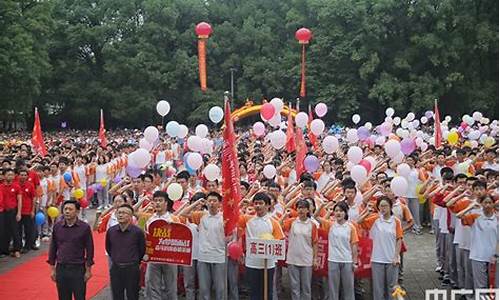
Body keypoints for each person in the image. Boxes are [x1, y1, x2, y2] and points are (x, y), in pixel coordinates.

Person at [180, 191, 226, 300]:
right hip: (203, 257)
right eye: (209, 201)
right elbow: (183, 213)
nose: (212, 203)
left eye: (215, 201)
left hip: (219, 257)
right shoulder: (201, 215)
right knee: (204, 289)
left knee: (220, 289)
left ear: (220, 203)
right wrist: (196, 203)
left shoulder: (224, 218)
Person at [238, 192, 285, 300]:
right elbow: (233, 216)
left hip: (268, 264)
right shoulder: (247, 219)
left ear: (268, 205)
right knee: (254, 292)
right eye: (255, 203)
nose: (258, 206)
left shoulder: (273, 222)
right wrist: (243, 203)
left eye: (261, 203)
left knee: (267, 293)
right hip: (252, 262)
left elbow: (280, 241)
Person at [47, 200, 94, 300]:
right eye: (65, 209)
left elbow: (90, 249)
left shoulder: (84, 227)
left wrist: (88, 270)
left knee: (80, 296)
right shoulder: (57, 227)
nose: (67, 211)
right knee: (63, 297)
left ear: (77, 211)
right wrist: (52, 269)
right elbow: (53, 248)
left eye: (70, 209)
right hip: (61, 268)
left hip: (78, 268)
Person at [358, 197, 403, 300]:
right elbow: (358, 221)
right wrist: (367, 212)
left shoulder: (395, 221)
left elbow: (399, 239)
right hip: (377, 259)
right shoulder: (374, 219)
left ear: (390, 207)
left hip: (392, 259)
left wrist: (396, 256)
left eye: (385, 206)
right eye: (380, 206)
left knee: (392, 288)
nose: (383, 208)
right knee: (378, 289)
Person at [145, 190, 180, 300]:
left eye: (160, 200)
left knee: (171, 287)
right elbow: (143, 235)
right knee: (153, 287)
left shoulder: (174, 219)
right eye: (155, 201)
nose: (157, 203)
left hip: (170, 259)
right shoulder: (148, 219)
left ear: (166, 203)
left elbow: (179, 238)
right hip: (153, 258)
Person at [319, 201, 358, 300]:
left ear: (345, 212)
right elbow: (315, 217)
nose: (338, 213)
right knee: (333, 289)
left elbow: (354, 245)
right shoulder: (330, 225)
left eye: (341, 211)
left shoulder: (351, 227)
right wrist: (323, 206)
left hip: (347, 261)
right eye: (336, 211)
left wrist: (355, 262)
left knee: (348, 289)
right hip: (333, 260)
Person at [106, 204, 146, 300]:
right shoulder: (111, 231)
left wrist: (135, 261)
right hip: (116, 268)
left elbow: (142, 250)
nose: (121, 215)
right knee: (117, 295)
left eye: (124, 213)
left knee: (132, 295)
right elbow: (108, 248)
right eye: (119, 213)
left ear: (131, 216)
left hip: (132, 268)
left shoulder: (137, 232)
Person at [282, 199, 318, 300]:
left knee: (306, 287)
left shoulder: (312, 225)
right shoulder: (291, 222)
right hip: (293, 258)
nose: (301, 210)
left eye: (303, 208)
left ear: (308, 210)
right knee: (294, 287)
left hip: (307, 259)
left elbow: (315, 243)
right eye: (299, 208)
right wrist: (284, 216)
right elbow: (279, 226)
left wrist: (315, 259)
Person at [2, 168, 23, 258]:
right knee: (3, 231)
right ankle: (4, 250)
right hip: (3, 212)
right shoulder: (1, 186)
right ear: (3, 176)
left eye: (12, 175)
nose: (10, 176)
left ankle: (17, 249)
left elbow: (19, 200)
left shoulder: (16, 186)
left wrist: (18, 213)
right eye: (8, 174)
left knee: (15, 231)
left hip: (13, 211)